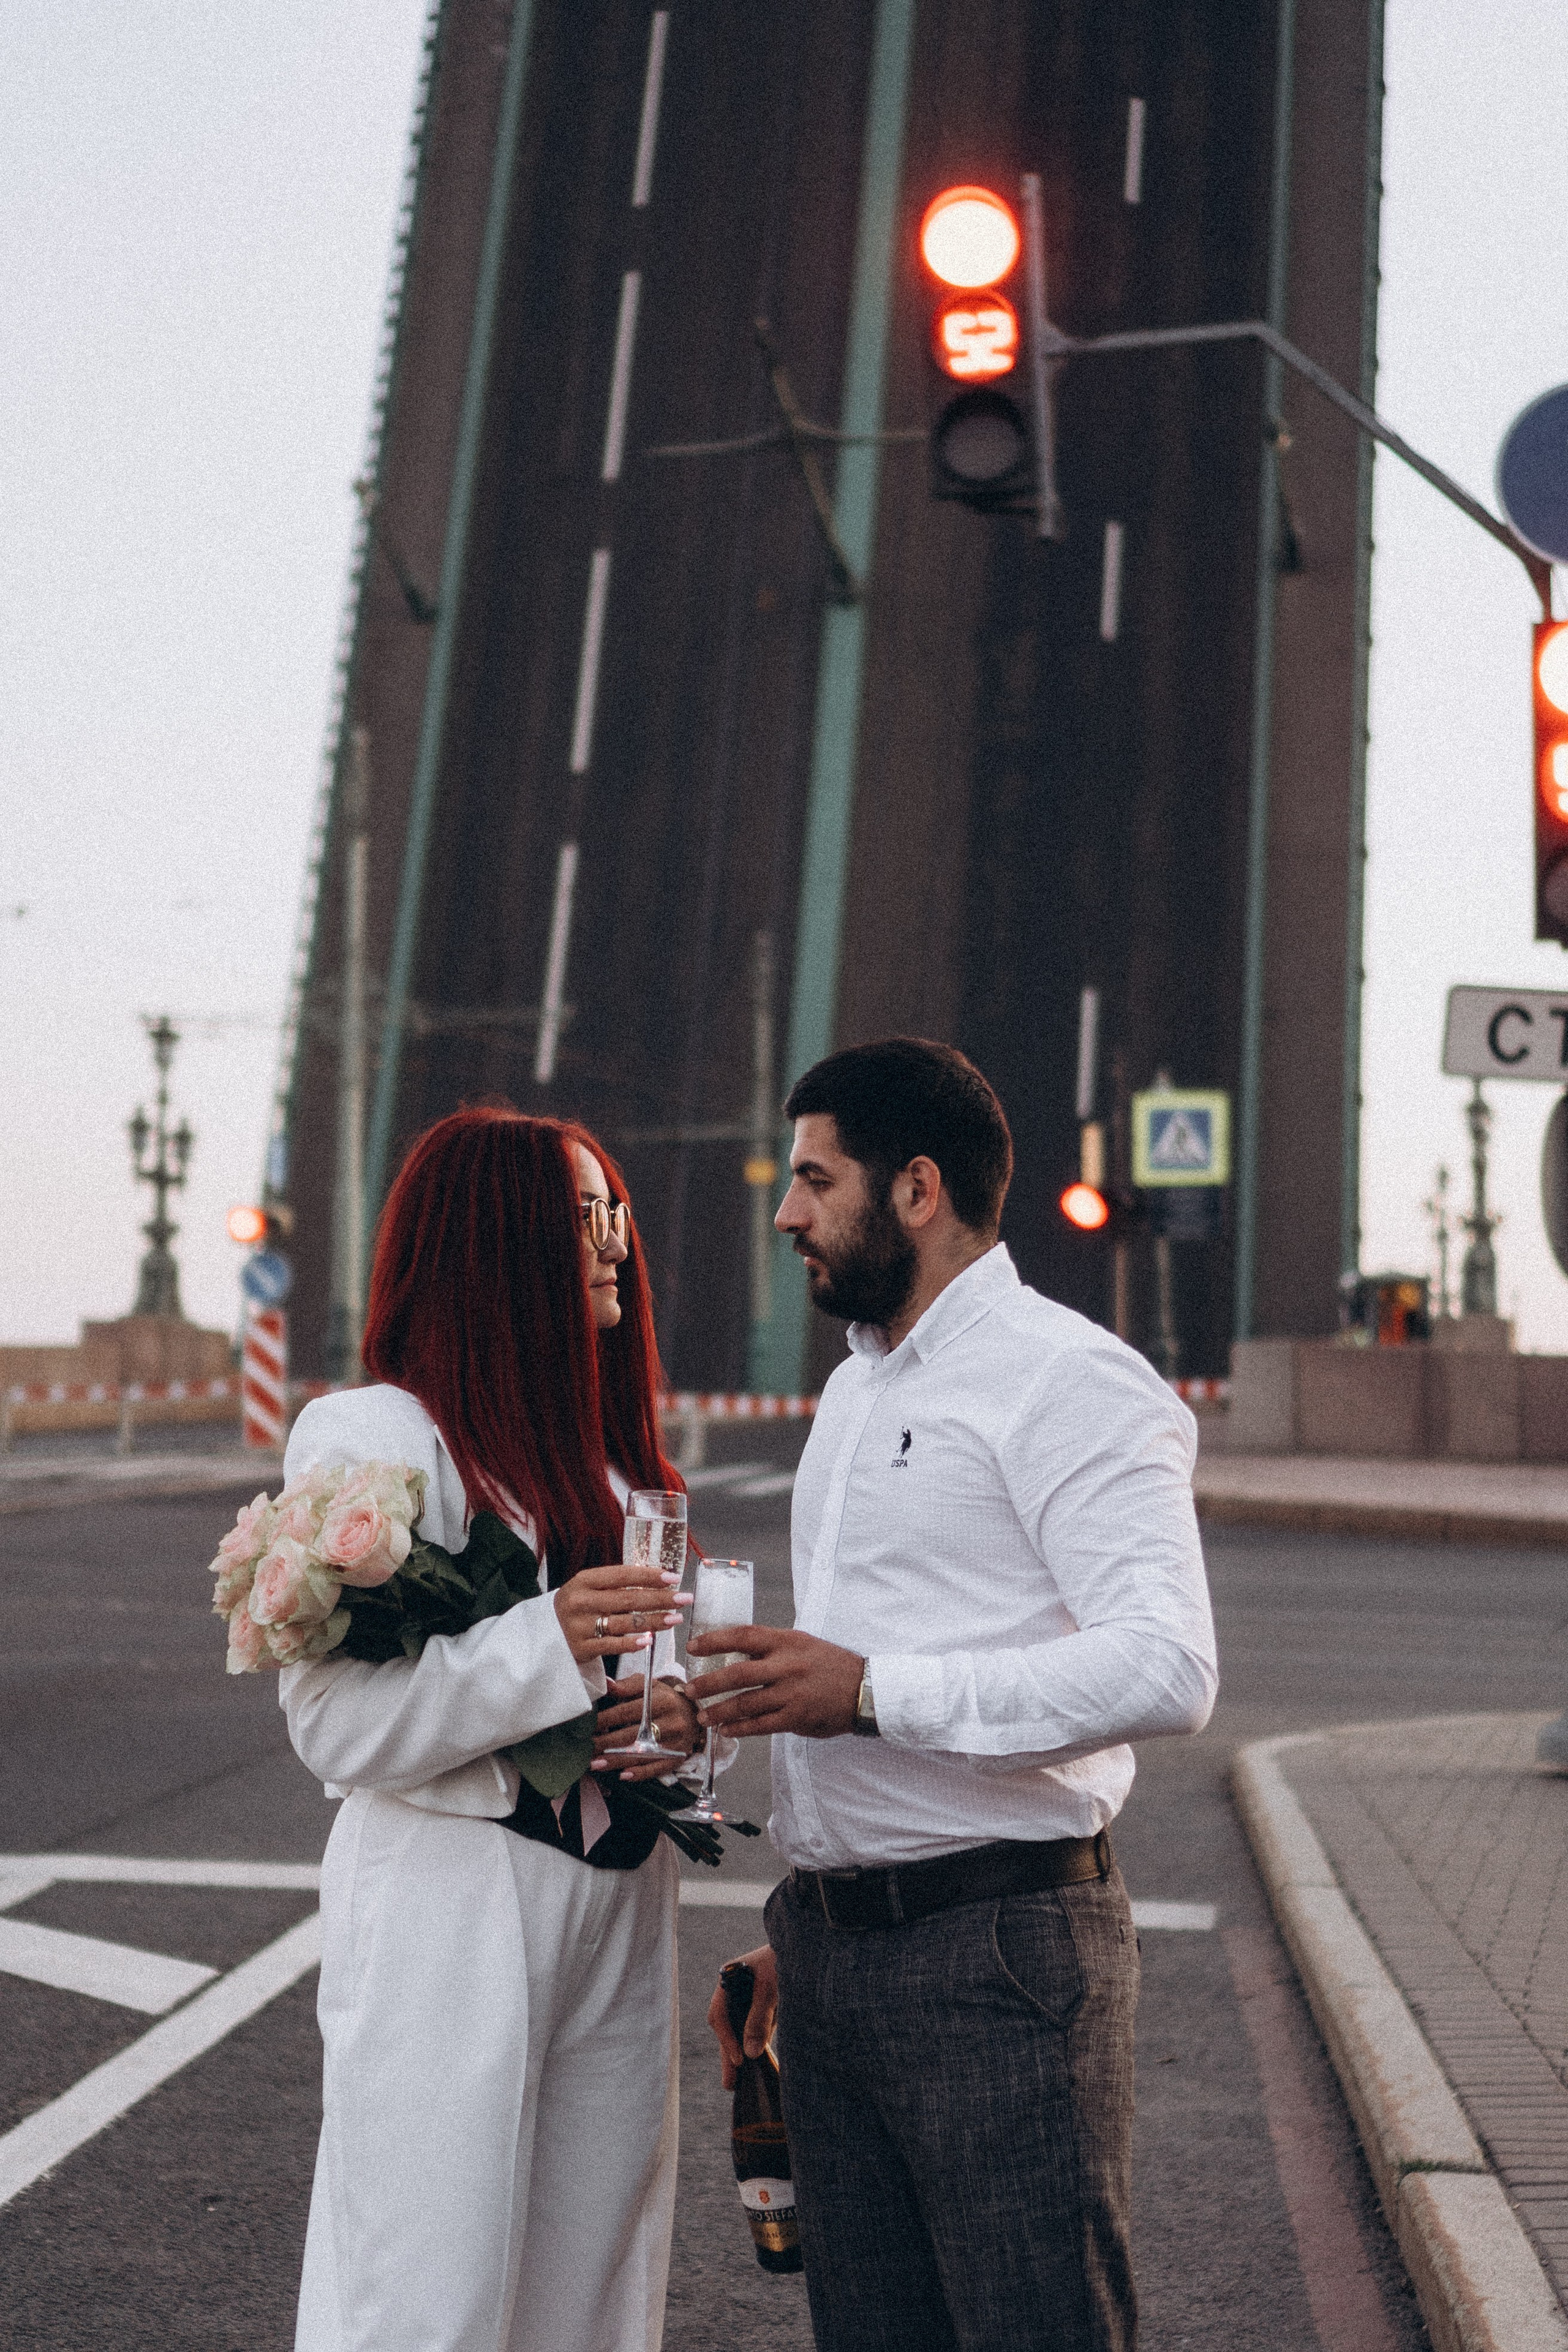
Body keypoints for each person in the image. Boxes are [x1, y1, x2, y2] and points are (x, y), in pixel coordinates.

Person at [693, 1038, 1218, 2352]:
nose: (785, 1210)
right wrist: (811, 1927)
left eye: (815, 1178)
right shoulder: (857, 1388)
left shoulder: (1071, 1382)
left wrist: (870, 1694)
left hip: (997, 1963)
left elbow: (1166, 1664)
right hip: (833, 1960)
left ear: (914, 1188)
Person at [279, 1106, 702, 2352]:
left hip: (621, 1900)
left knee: (595, 2292)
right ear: (501, 1243)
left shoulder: (630, 1477)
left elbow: (653, 1706)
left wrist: (680, 1724)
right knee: (423, 2293)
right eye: (589, 1220)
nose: (618, 1246)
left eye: (617, 1218)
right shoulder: (379, 1440)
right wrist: (547, 1648)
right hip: (452, 1903)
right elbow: (331, 1727)